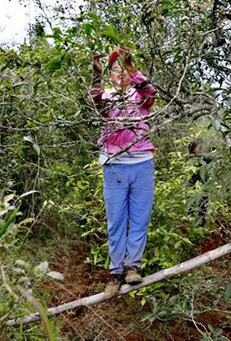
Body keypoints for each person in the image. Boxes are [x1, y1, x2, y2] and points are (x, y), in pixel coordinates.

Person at [90, 47, 157, 299]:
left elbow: (150, 93)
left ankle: (132, 267)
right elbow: (96, 100)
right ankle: (116, 273)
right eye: (115, 69)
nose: (121, 74)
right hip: (114, 165)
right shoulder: (106, 97)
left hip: (142, 164)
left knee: (140, 219)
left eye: (124, 69)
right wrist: (96, 75)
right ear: (109, 74)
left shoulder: (139, 97)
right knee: (116, 221)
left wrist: (131, 67)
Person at [187, 140, 213, 227]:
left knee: (191, 205)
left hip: (190, 186)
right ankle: (200, 225)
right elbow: (208, 159)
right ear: (194, 148)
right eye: (198, 147)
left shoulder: (187, 159)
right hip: (200, 186)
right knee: (202, 205)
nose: (199, 148)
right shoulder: (200, 159)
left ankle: (191, 222)